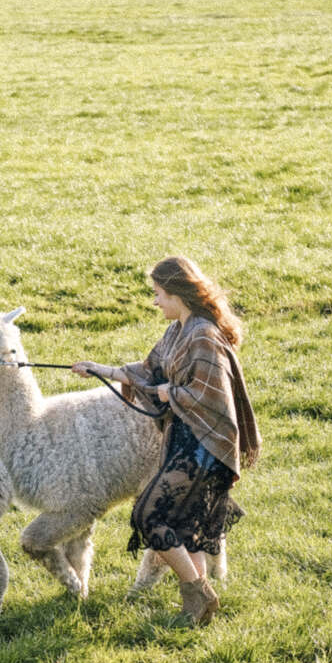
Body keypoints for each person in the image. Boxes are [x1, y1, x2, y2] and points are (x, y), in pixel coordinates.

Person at [72, 256, 261, 626]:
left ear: (178, 294)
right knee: (185, 529)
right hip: (183, 439)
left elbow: (211, 397)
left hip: (205, 446)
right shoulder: (179, 329)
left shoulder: (203, 335)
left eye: (159, 294)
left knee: (149, 516)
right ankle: (198, 608)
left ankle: (199, 592)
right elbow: (147, 370)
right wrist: (99, 370)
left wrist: (167, 393)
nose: (156, 301)